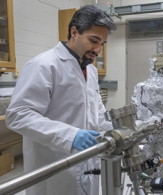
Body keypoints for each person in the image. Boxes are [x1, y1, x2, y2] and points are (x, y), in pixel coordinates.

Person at [5, 5, 116, 195]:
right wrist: (71, 136)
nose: (97, 49)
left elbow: (96, 110)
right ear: (74, 32)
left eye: (102, 44)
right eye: (93, 40)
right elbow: (18, 115)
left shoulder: (90, 70)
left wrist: (110, 131)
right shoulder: (44, 65)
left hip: (89, 162)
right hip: (53, 166)